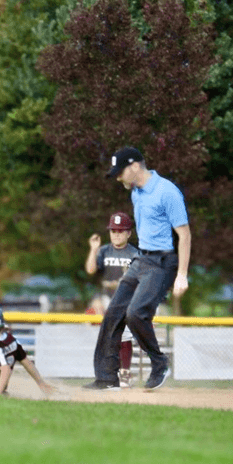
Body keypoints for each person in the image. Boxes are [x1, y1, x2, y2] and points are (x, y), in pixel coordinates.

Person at [83, 147, 190, 391]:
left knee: (135, 314)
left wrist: (181, 275)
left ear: (134, 167)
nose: (118, 178)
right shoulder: (136, 192)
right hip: (142, 260)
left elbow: (184, 236)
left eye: (120, 173)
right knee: (112, 314)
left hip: (163, 262)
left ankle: (160, 363)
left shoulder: (167, 192)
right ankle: (107, 378)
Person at [84, 211, 138, 388]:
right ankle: (107, 376)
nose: (116, 234)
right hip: (107, 299)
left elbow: (139, 280)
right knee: (107, 338)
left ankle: (125, 373)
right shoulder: (105, 250)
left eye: (121, 231)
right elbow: (91, 269)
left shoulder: (135, 253)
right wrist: (93, 249)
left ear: (129, 233)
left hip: (127, 300)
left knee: (124, 337)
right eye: (113, 231)